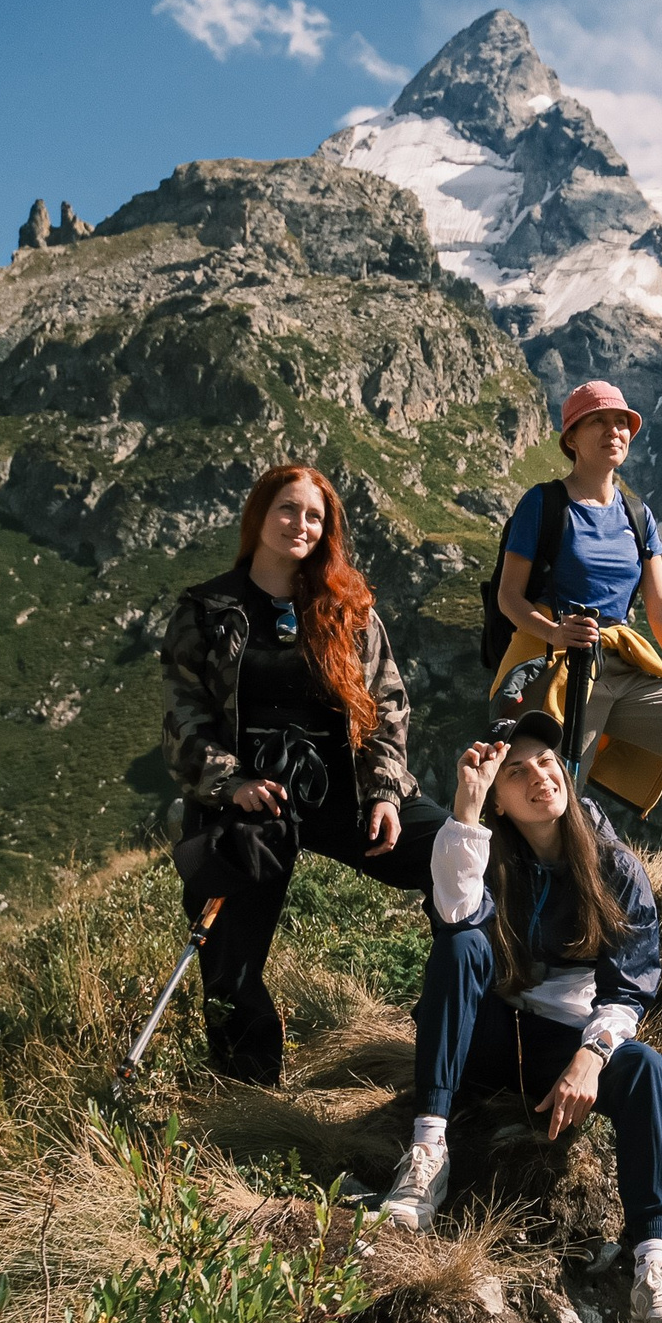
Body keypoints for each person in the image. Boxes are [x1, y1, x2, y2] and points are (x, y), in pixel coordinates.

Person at [380, 712, 662, 1323]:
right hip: (490, 1034)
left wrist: (591, 1056)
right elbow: (453, 915)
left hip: (561, 1043)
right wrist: (466, 813)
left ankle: (652, 1271)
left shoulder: (613, 866)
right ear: (499, 796)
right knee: (461, 946)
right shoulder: (488, 848)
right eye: (516, 770)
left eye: (546, 762)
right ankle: (427, 1154)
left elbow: (628, 988)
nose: (538, 777)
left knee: (644, 1067)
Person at [160, 464, 449, 1086]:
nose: (301, 524)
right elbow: (184, 717)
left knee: (457, 857)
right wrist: (230, 782)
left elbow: (387, 708)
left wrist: (385, 793)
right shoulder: (207, 610)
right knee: (229, 960)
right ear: (259, 517)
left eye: (315, 516)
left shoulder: (348, 610)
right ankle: (251, 1097)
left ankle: (453, 1028)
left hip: (340, 791)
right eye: (288, 510)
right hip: (249, 803)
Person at [494, 381, 662, 916]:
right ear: (572, 437)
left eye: (622, 424)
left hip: (621, 661)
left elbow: (659, 607)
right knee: (554, 781)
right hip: (558, 663)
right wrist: (554, 633)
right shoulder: (542, 504)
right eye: (600, 422)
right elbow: (509, 598)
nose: (615, 431)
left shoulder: (638, 516)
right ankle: (525, 892)